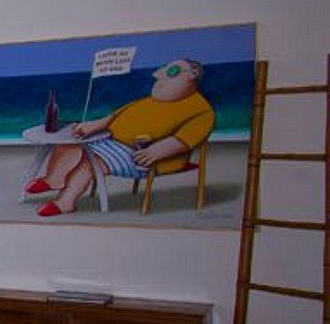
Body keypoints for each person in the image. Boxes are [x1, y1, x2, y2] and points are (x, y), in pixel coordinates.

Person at [26, 58, 215, 216]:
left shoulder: (201, 111)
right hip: (111, 141)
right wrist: (95, 125)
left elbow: (185, 139)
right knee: (69, 144)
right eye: (161, 70)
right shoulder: (149, 101)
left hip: (143, 155)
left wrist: (155, 151)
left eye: (171, 71)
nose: (157, 75)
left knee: (90, 163)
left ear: (193, 74)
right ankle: (54, 179)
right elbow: (115, 117)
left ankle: (66, 201)